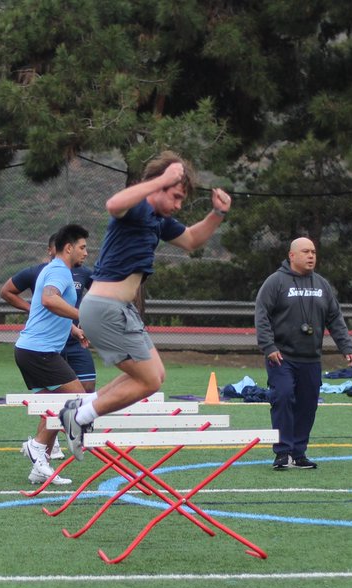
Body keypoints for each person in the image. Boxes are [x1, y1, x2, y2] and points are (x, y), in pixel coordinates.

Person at [59, 151, 231, 457]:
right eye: (175, 196)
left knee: (156, 375)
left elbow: (191, 240)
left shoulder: (157, 220)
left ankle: (83, 405)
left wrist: (217, 214)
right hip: (104, 308)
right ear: (158, 186)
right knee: (149, 380)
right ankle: (80, 418)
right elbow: (113, 204)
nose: (178, 206)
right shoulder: (137, 208)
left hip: (121, 310)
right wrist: (162, 180)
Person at [254, 237, 352, 470]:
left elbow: (335, 318)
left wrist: (346, 346)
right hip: (282, 357)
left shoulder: (322, 285)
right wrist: (269, 347)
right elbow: (262, 316)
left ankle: (298, 453)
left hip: (311, 359)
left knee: (307, 405)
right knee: (282, 397)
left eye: (313, 252)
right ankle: (282, 453)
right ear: (292, 256)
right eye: (305, 252)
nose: (311, 256)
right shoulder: (275, 282)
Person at [1, 235, 96, 463]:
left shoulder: (64, 271)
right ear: (68, 248)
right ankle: (40, 445)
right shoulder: (56, 271)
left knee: (56, 404)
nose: (86, 253)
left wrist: (75, 329)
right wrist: (85, 316)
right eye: (82, 248)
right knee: (76, 398)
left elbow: (52, 306)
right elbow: (49, 300)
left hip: (36, 350)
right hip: (39, 351)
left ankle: (40, 460)